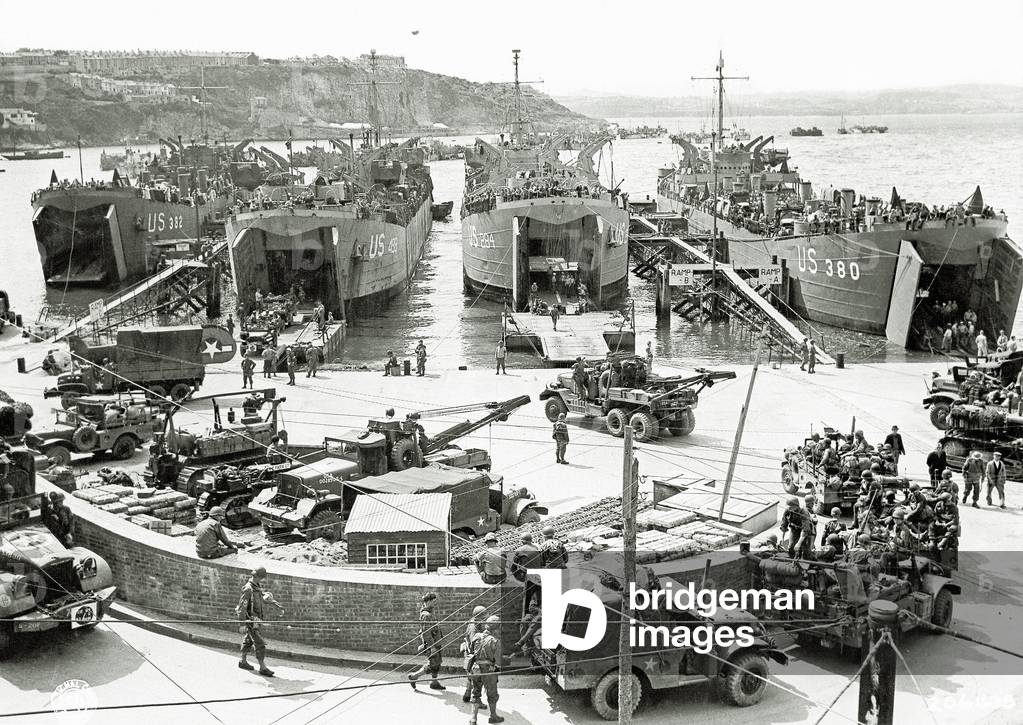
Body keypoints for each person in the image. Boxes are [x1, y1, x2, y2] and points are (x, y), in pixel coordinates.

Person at [237, 567, 282, 677]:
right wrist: (242, 624)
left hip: (256, 621)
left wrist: (275, 604)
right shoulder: (248, 589)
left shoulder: (256, 587)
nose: (260, 579)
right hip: (251, 620)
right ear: (258, 577)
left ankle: (242, 661)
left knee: (248, 639)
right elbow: (242, 608)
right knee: (260, 643)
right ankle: (262, 667)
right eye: (260, 577)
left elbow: (263, 598)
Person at [468, 615, 504, 724]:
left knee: (476, 693)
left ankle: (473, 719)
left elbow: (471, 651)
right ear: (496, 628)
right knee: (492, 694)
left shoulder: (476, 636)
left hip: (476, 669)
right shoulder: (495, 641)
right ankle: (493, 716)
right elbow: (498, 662)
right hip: (489, 671)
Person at [408, 592, 445, 691]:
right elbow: (426, 633)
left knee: (437, 663)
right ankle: (414, 676)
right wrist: (432, 647)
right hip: (432, 644)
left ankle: (434, 682)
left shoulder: (430, 612)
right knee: (432, 663)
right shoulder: (426, 615)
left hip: (436, 642)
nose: (435, 603)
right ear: (428, 601)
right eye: (433, 601)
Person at [461, 606, 489, 705]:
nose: (486, 618)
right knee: (478, 678)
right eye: (484, 617)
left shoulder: (473, 621)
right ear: (479, 617)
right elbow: (476, 644)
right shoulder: (474, 628)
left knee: (470, 675)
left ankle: (467, 693)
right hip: (473, 655)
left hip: (469, 653)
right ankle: (476, 699)